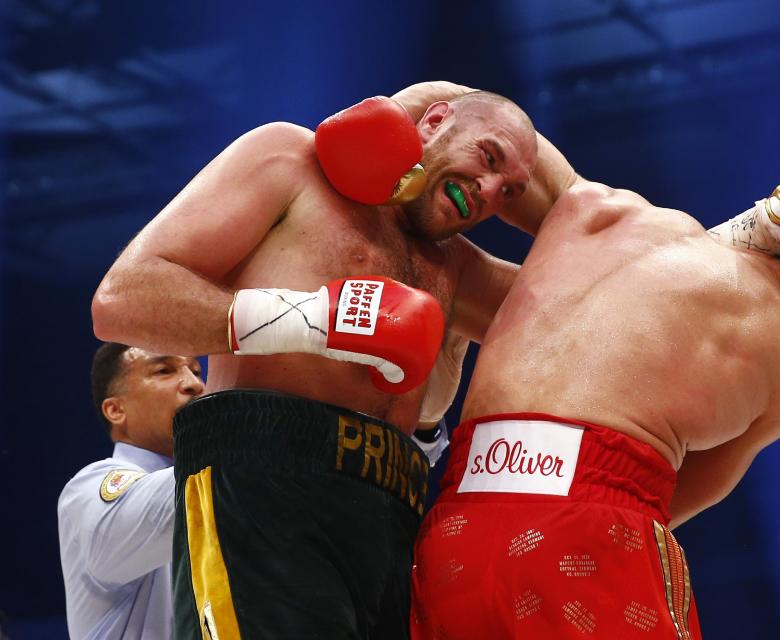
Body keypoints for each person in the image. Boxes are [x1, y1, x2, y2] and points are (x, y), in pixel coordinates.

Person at [402, 86, 780, 640]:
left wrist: (388, 125)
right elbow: (668, 498)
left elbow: (473, 108)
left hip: (456, 523)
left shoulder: (602, 210)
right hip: (587, 528)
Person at [90, 89, 551, 639]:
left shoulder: (458, 268)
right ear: (433, 122)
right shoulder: (292, 162)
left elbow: (591, 296)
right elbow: (121, 300)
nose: (492, 191)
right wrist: (314, 319)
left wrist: (574, 200)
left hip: (390, 510)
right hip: (259, 484)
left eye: (512, 193)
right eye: (490, 157)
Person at [58, 342, 204, 639]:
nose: (194, 384)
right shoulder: (88, 490)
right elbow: (182, 499)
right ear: (116, 409)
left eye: (197, 370)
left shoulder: (217, 492)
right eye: (164, 370)